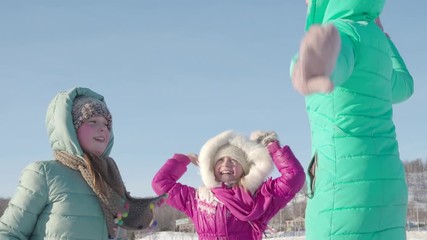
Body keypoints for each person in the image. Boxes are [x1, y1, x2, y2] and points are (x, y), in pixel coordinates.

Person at [290, 1, 414, 239]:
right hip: (389, 192)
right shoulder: (374, 41)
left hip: (344, 190)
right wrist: (384, 40)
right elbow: (405, 86)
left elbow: (335, 61)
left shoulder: (342, 32)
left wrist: (314, 64)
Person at [0, 87, 164, 240]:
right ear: (70, 128)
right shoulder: (44, 173)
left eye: (106, 124)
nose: (102, 128)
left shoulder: (111, 178)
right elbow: (8, 232)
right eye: (92, 121)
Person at [152, 130, 305, 239]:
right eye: (220, 160)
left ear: (244, 168)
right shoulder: (197, 199)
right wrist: (182, 160)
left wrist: (272, 147)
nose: (226, 164)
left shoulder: (260, 198)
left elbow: (294, 177)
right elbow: (161, 184)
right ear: (211, 167)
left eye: (233, 160)